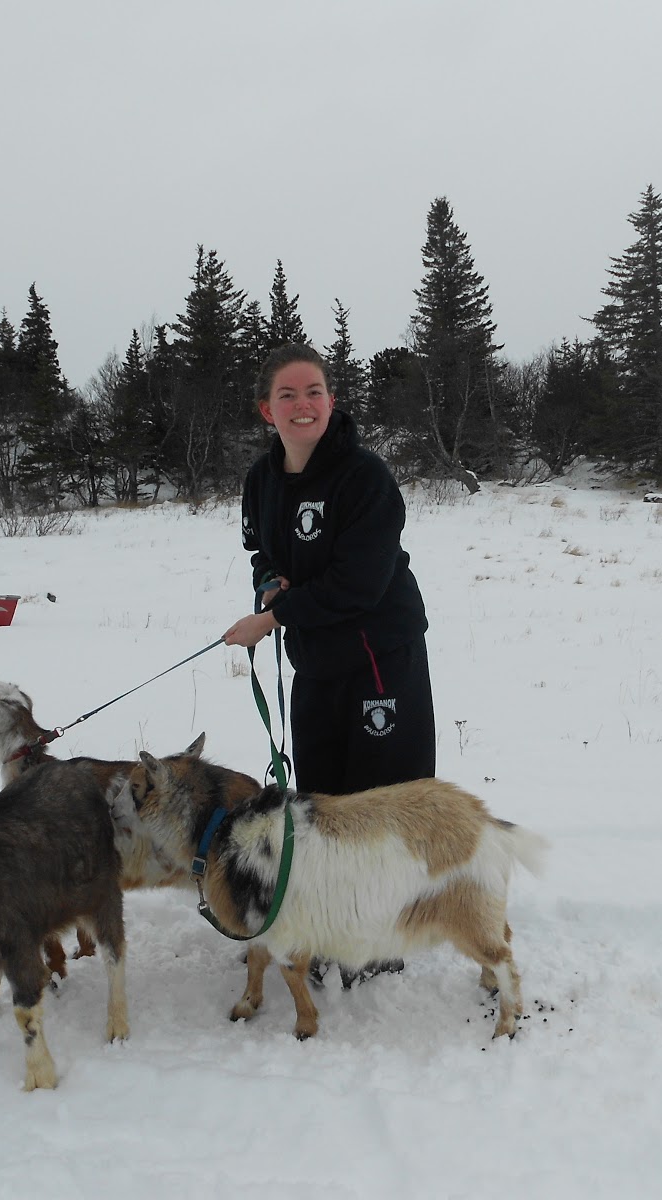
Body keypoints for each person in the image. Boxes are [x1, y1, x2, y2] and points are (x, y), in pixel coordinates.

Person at [223, 344, 437, 984]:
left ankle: (383, 936)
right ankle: (327, 924)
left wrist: (274, 618)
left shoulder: (364, 477)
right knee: (322, 798)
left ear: (331, 401)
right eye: (287, 395)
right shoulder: (261, 481)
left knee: (383, 798)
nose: (303, 404)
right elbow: (261, 552)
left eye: (313, 391)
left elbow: (360, 582)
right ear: (267, 410)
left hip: (380, 654)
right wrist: (269, 585)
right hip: (315, 656)